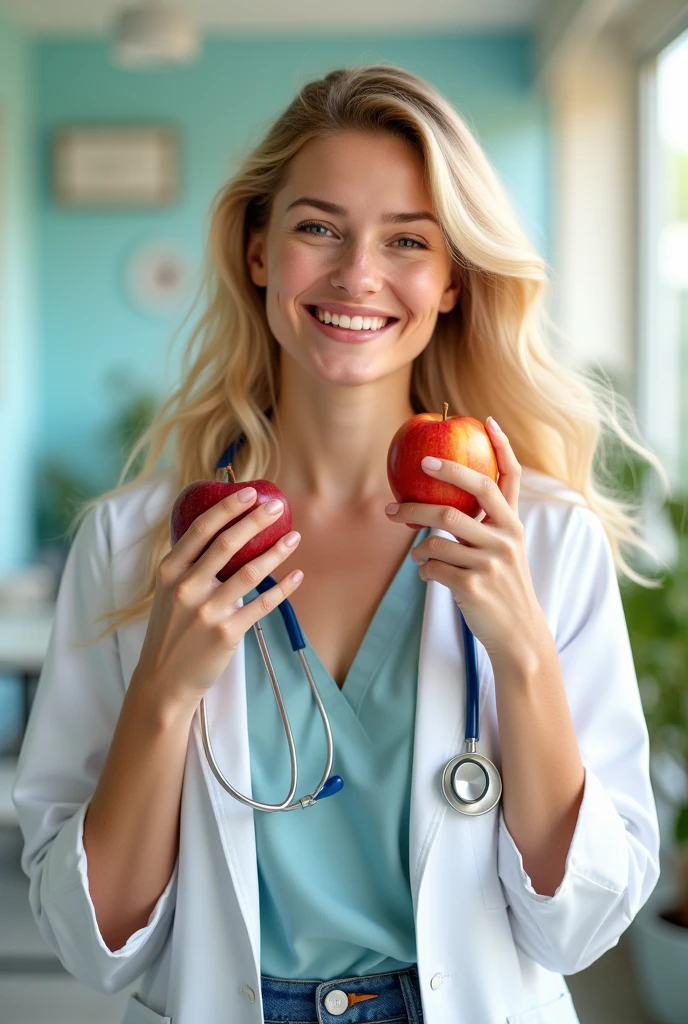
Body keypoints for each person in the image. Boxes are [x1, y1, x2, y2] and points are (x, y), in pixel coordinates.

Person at [13, 65, 663, 1024]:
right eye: (319, 227)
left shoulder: (543, 539)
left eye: (407, 241)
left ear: (451, 284)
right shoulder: (134, 544)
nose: (358, 273)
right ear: (259, 250)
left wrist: (522, 657)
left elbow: (577, 931)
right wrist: (162, 694)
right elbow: (93, 943)